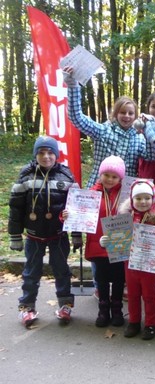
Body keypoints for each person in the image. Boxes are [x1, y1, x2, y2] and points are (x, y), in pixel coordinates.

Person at [9, 136, 79, 327]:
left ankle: (65, 305)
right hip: (33, 235)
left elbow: (76, 208)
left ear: (56, 155)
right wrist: (15, 236)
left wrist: (76, 235)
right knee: (31, 273)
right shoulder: (26, 175)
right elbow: (16, 209)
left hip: (58, 235)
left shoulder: (66, 176)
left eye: (50, 152)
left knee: (62, 270)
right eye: (41, 152)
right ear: (35, 154)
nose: (46, 156)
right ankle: (27, 307)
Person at [63, 68, 155, 188]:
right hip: (98, 189)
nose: (126, 116)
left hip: (124, 194)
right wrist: (72, 86)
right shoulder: (102, 131)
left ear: (135, 116)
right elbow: (76, 118)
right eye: (123, 112)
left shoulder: (140, 138)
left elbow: (151, 157)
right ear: (116, 113)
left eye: (130, 113)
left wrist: (149, 127)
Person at [111, 180, 155, 340]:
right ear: (132, 199)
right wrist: (108, 241)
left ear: (153, 199)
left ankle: (150, 324)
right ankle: (134, 322)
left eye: (147, 198)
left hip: (150, 266)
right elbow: (117, 238)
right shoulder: (125, 218)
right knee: (133, 294)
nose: (143, 202)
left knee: (149, 295)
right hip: (130, 264)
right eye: (138, 198)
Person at [66, 156, 126, 328]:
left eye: (114, 177)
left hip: (119, 243)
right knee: (101, 278)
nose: (109, 179)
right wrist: (68, 216)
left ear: (120, 178)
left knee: (118, 279)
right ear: (100, 175)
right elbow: (78, 216)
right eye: (106, 175)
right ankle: (103, 310)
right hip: (98, 244)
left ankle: (117, 310)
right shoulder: (90, 195)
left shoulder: (126, 195)